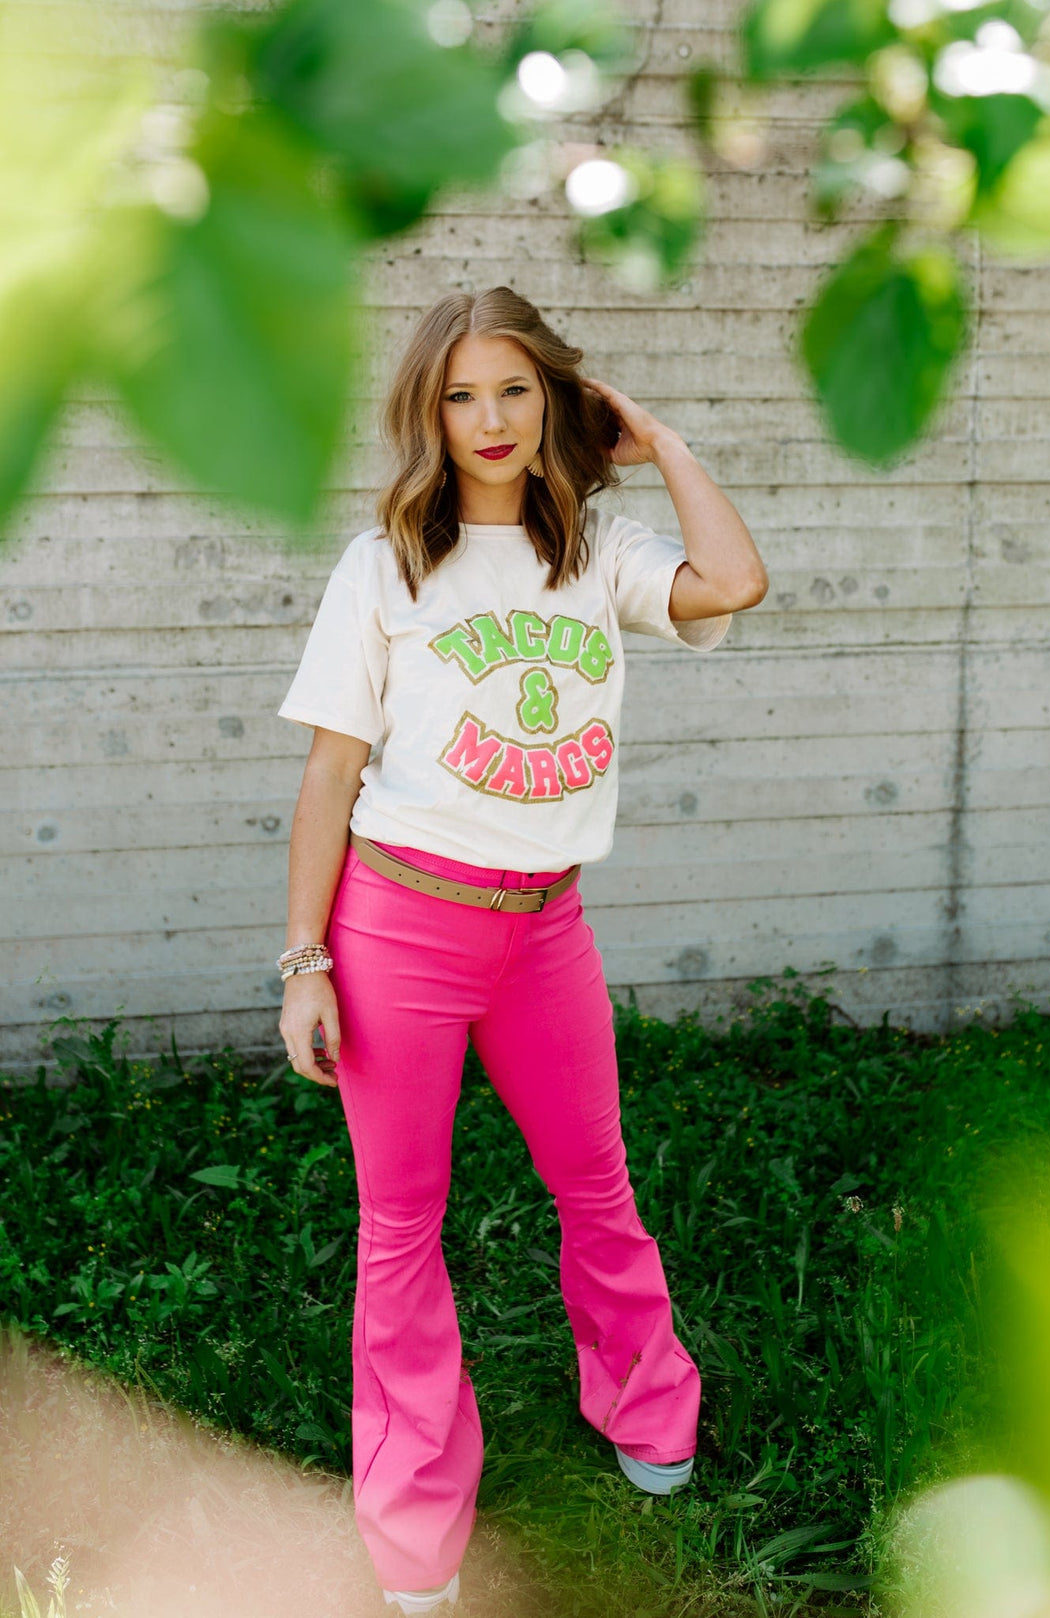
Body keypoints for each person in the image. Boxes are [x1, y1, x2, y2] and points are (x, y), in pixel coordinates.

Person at [276, 285, 768, 1615]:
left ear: (555, 399)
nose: (488, 420)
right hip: (400, 926)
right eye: (460, 395)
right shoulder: (385, 564)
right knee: (401, 1229)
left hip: (545, 925)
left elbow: (734, 580)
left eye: (513, 390)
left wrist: (656, 437)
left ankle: (648, 1403)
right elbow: (330, 777)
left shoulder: (595, 554)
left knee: (596, 1182)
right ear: (426, 413)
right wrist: (302, 962)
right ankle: (419, 1517)